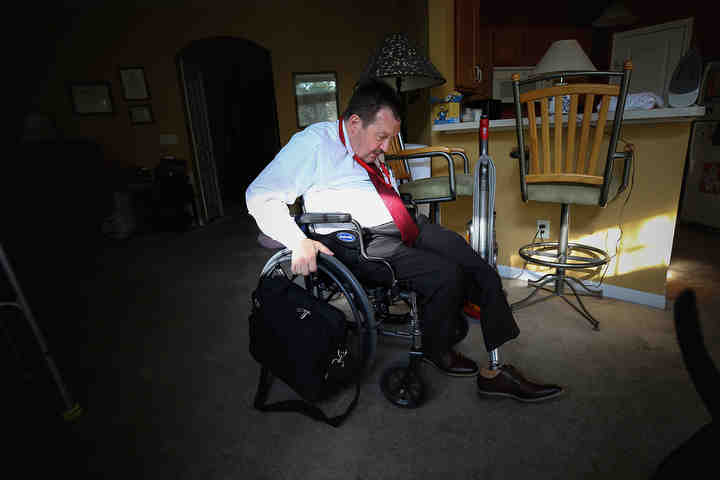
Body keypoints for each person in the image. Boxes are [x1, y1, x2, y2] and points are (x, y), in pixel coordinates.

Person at [246, 79, 562, 402]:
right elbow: (259, 195)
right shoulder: (313, 145)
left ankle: (495, 368)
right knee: (446, 275)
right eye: (381, 137)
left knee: (477, 265)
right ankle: (441, 351)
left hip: (406, 222)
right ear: (355, 122)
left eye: (389, 138)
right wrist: (297, 241)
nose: (386, 147)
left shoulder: (365, 146)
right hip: (363, 241)